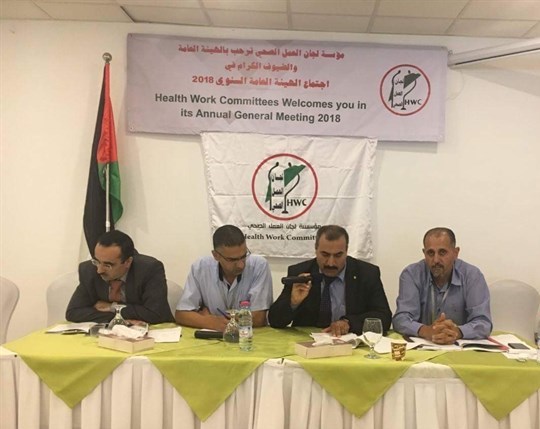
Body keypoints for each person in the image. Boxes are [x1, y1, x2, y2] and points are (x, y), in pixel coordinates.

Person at [268, 225, 392, 336]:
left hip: (350, 343)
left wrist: (348, 323)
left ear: (346, 251)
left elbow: (384, 317)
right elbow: (274, 321)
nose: (331, 263)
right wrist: (293, 303)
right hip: (308, 343)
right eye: (325, 255)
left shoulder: (366, 274)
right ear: (316, 249)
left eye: (338, 255)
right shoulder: (300, 273)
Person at [392, 227, 492, 344]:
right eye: (430, 253)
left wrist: (457, 332)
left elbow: (483, 322)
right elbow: (401, 319)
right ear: (424, 253)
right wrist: (426, 331)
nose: (436, 260)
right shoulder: (411, 274)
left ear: (455, 253)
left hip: (458, 347)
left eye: (442, 252)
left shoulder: (472, 276)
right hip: (423, 346)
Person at [175, 225, 273, 332]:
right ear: (216, 255)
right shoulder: (200, 267)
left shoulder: (259, 266)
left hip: (248, 337)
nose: (241, 265)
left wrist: (205, 318)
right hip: (212, 336)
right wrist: (209, 322)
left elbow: (259, 318)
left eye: (244, 256)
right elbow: (181, 314)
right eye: (232, 260)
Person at [66, 230, 174, 324]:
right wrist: (119, 320)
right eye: (97, 262)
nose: (99, 270)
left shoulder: (149, 269)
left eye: (108, 265)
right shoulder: (88, 270)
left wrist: (112, 307)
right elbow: (73, 312)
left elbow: (155, 314)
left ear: (128, 262)